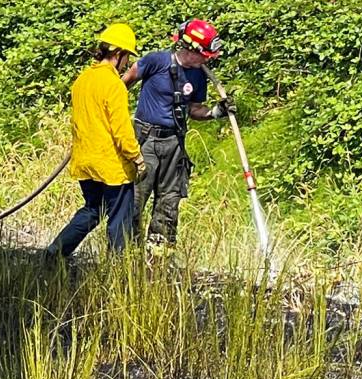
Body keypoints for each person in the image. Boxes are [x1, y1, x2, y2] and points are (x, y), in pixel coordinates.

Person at [122, 19, 235, 251]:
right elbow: (121, 85)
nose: (207, 60)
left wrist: (216, 112)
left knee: (169, 200)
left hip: (174, 142)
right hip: (145, 141)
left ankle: (159, 255)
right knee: (135, 198)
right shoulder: (155, 61)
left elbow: (194, 110)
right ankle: (126, 254)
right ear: (191, 49)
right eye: (204, 54)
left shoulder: (198, 76)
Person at [46, 23, 147, 258]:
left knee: (93, 210)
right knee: (119, 219)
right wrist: (137, 158)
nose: (127, 63)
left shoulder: (82, 80)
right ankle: (118, 269)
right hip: (112, 166)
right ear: (118, 54)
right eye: (127, 57)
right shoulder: (113, 85)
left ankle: (56, 253)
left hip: (85, 163)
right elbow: (121, 129)